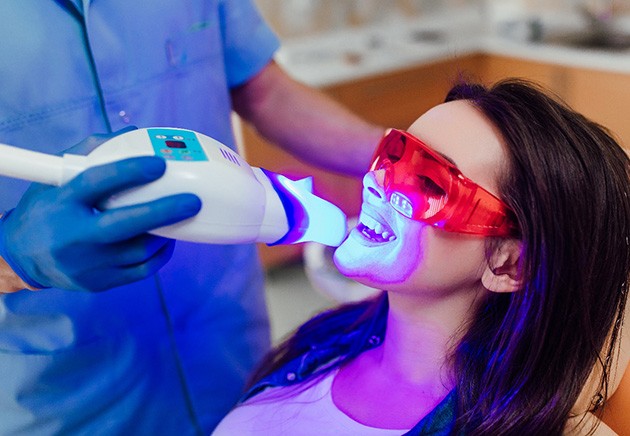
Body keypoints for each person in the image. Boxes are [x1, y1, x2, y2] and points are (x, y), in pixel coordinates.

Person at [0, 1, 384, 434]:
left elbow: (265, 90)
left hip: (228, 350)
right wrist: (11, 256)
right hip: (66, 398)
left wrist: (393, 159)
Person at [213, 79, 630, 435]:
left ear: (508, 264)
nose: (376, 180)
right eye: (394, 152)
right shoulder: (323, 344)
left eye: (428, 182)